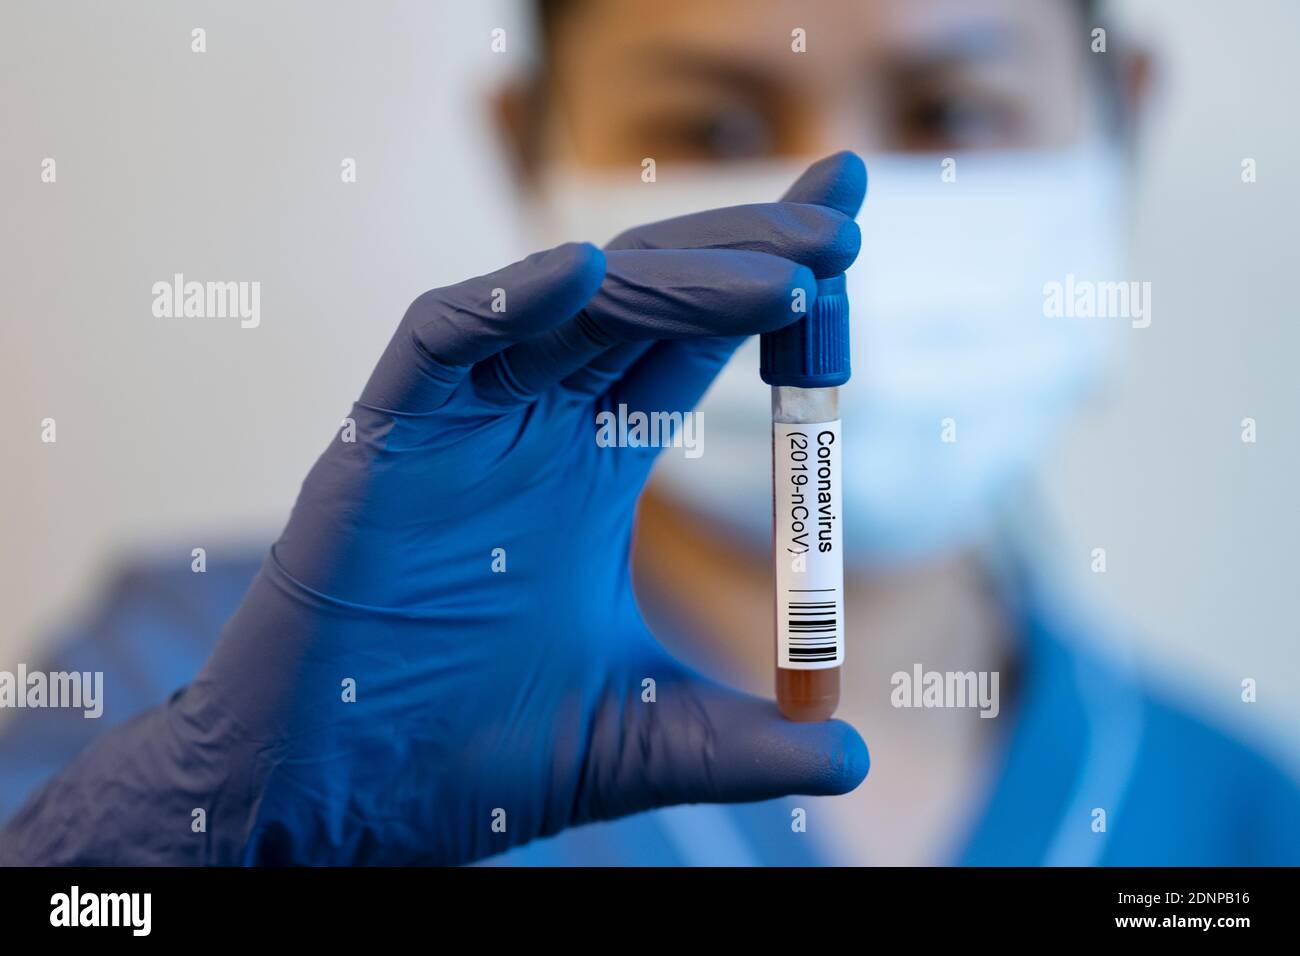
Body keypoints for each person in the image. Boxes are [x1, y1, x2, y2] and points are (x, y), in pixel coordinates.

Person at [2, 0, 1297, 866]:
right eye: (714, 129)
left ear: (1121, 116)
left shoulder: (1240, 821)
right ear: (529, 142)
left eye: (950, 116)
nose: (834, 212)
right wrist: (182, 835)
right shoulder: (206, 674)